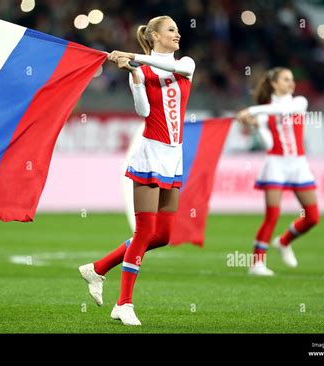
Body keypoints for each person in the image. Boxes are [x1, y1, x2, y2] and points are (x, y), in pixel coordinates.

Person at [79, 15, 195, 325]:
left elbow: (176, 68)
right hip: (150, 153)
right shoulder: (141, 70)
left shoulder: (186, 63)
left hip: (174, 156)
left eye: (177, 29)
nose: (178, 34)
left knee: (163, 236)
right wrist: (136, 78)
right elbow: (143, 111)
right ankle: (124, 304)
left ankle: (98, 268)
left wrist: (131, 57)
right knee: (144, 231)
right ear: (155, 36)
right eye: (171, 30)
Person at [236, 67, 320, 276]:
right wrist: (256, 125)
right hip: (276, 164)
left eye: (291, 79)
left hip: (298, 164)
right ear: (274, 83)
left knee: (312, 217)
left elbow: (284, 110)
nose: (291, 83)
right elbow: (269, 143)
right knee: (272, 214)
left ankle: (283, 241)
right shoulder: (265, 112)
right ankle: (257, 263)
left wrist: (252, 112)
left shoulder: (299, 102)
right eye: (285, 79)